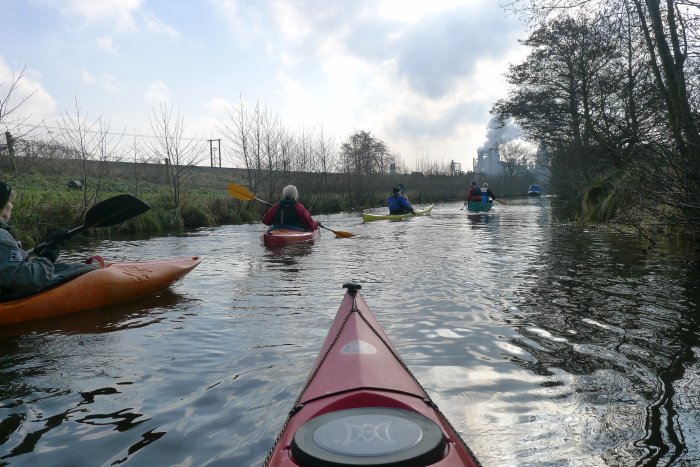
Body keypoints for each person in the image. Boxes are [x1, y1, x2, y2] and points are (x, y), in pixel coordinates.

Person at [0, 181, 60, 298]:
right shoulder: (1, 238)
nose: (11, 206)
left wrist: (32, 257)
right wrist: (48, 256)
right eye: (10, 202)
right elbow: (30, 279)